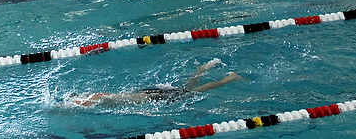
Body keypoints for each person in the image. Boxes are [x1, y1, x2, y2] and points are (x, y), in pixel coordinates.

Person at [68, 59, 241, 108]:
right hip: (149, 93)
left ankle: (228, 79)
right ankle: (201, 71)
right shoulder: (97, 97)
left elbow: (91, 99)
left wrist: (78, 104)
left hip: (153, 98)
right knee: (186, 90)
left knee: (192, 92)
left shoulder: (97, 98)